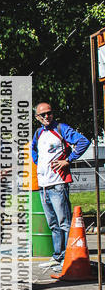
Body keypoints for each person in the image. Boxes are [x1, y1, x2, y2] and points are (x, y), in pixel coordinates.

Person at [31, 101, 89, 272]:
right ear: (37, 117)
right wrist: (40, 165)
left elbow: (83, 142)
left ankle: (69, 257)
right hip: (43, 185)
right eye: (43, 114)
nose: (47, 116)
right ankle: (58, 256)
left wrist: (68, 160)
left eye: (49, 113)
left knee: (64, 222)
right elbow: (34, 151)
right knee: (53, 224)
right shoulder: (38, 133)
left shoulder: (61, 129)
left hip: (58, 183)